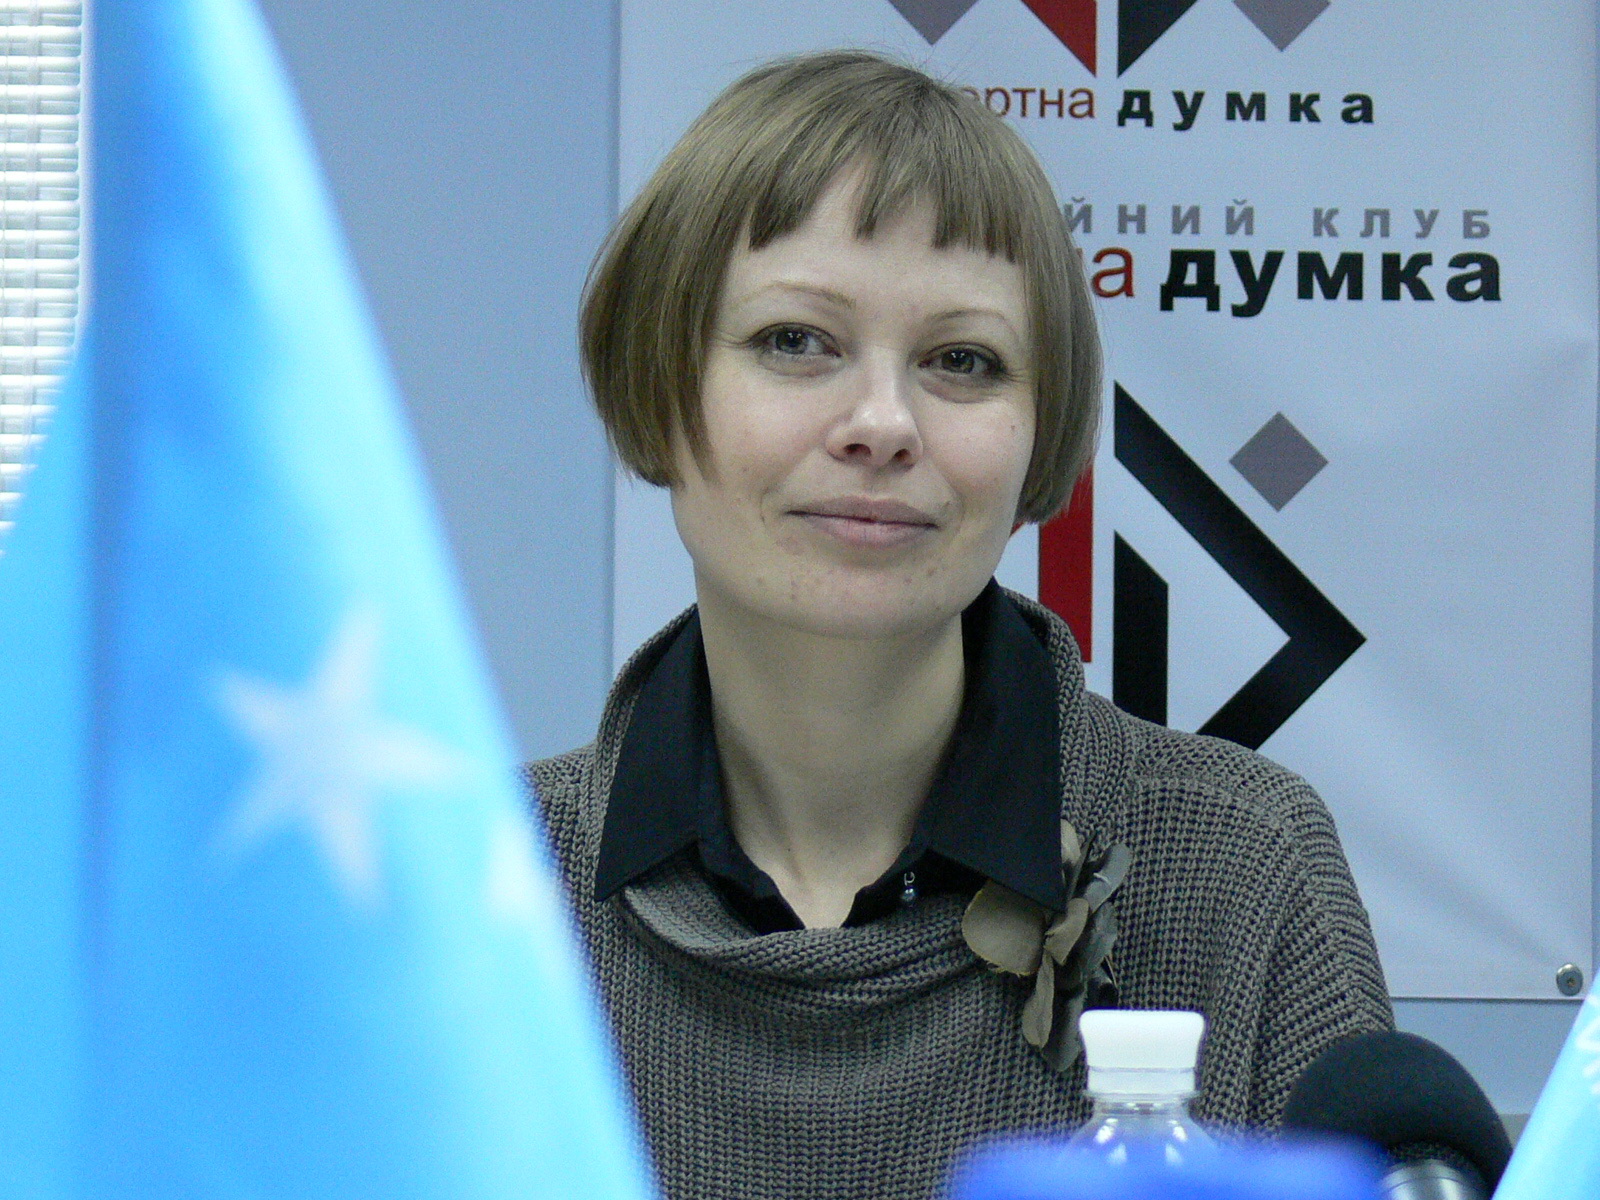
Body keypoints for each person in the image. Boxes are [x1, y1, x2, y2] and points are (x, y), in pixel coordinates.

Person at [527, 50, 1391, 1200]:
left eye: (961, 361)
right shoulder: (469, 890)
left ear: (1041, 435)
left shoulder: (1243, 869)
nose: (882, 424)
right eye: (796, 341)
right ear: (659, 384)